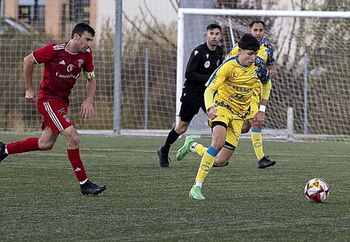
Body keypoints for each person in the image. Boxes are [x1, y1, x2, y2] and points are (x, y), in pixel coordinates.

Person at [0, 22, 106, 195]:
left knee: (45, 143)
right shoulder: (54, 50)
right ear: (76, 37)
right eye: (87, 39)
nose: (89, 44)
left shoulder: (86, 55)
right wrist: (29, 88)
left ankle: (4, 149)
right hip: (48, 100)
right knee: (73, 136)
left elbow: (91, 78)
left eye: (91, 41)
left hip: (62, 101)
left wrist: (89, 100)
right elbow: (28, 60)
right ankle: (84, 184)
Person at [177, 20, 276, 169]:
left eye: (260, 30)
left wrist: (270, 71)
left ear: (264, 32)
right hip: (229, 99)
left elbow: (269, 72)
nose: (258, 33)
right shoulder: (237, 50)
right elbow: (227, 66)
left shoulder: (268, 48)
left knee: (220, 159)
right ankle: (261, 158)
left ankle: (193, 146)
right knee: (253, 122)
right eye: (255, 30)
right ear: (250, 31)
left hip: (253, 93)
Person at [187, 33, 272, 200]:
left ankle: (193, 146)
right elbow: (210, 89)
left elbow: (266, 84)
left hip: (239, 115)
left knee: (220, 161)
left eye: (255, 53)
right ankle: (196, 187)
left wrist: (261, 109)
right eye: (249, 54)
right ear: (239, 51)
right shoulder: (228, 66)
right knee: (217, 142)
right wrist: (210, 107)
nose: (253, 57)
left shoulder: (259, 66)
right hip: (222, 109)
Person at [157, 23, 224, 167]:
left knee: (217, 118)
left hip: (208, 94)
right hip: (192, 93)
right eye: (211, 33)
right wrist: (209, 79)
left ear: (220, 36)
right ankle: (164, 150)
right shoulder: (198, 52)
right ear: (206, 35)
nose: (214, 36)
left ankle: (213, 153)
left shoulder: (220, 51)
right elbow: (189, 74)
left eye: (217, 34)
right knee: (182, 127)